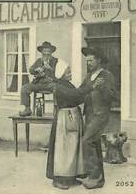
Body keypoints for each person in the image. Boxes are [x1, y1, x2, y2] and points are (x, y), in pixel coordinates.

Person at [46, 60, 102, 190]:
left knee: (73, 148)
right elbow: (75, 95)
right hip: (64, 118)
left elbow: (77, 98)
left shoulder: (67, 84)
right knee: (63, 149)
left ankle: (70, 177)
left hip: (72, 116)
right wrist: (91, 87)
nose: (70, 73)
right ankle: (59, 179)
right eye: (68, 72)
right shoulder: (58, 85)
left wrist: (88, 92)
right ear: (61, 73)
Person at [80, 46, 117, 189]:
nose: (88, 63)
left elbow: (113, 96)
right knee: (94, 145)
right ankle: (97, 179)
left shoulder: (107, 75)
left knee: (86, 141)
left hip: (100, 115)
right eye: (87, 61)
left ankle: (94, 176)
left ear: (99, 60)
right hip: (89, 115)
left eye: (91, 61)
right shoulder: (89, 77)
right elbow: (81, 91)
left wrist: (102, 88)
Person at [19, 41, 58, 116]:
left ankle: (56, 109)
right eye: (44, 51)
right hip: (38, 83)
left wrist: (50, 69)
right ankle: (27, 109)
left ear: (51, 52)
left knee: (58, 88)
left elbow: (59, 74)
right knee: (24, 88)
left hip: (50, 84)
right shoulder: (39, 61)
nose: (46, 53)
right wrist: (36, 70)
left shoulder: (56, 61)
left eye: (48, 51)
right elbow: (31, 70)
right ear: (42, 52)